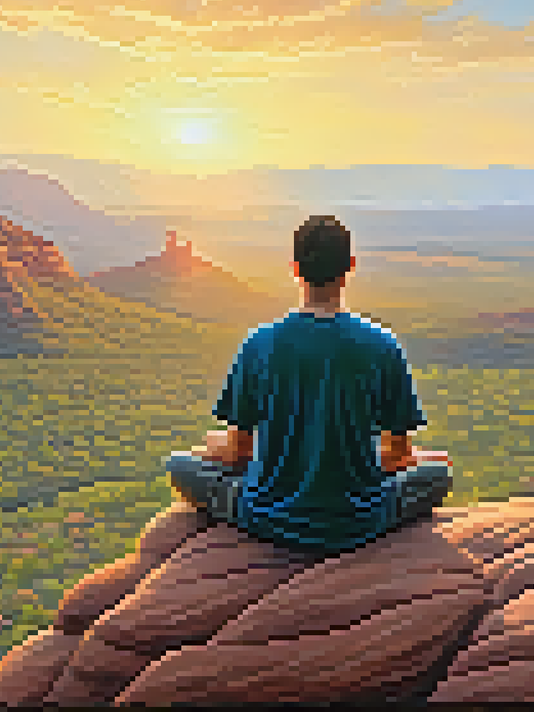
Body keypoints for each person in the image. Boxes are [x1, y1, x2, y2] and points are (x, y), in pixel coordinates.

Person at [164, 214, 453, 557]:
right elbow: (397, 454)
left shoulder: (259, 343)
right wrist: (367, 456)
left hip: (266, 518)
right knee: (438, 473)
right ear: (350, 267)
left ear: (295, 268)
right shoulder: (382, 345)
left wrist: (225, 450)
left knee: (180, 465)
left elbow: (237, 452)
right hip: (362, 520)